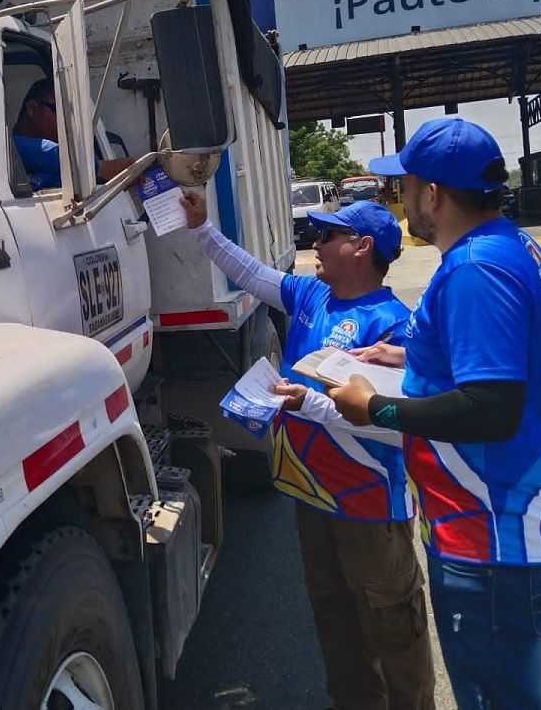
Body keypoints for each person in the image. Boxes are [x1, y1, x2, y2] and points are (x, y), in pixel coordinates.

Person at [326, 117, 541, 709]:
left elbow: (490, 408)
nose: (402, 200)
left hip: (496, 540)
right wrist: (411, 352)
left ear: (434, 195)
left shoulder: (475, 270)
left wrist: (376, 408)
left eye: (406, 186)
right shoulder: (506, 246)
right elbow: (500, 357)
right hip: (514, 529)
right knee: (531, 690)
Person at [180, 191, 435, 710]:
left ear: (362, 247)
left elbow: (398, 428)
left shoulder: (391, 323)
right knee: (336, 625)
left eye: (326, 235)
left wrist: (311, 405)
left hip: (367, 511)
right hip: (312, 499)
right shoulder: (312, 296)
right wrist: (202, 229)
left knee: (393, 635)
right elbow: (250, 274)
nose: (314, 243)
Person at [12, 78, 134, 190]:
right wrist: (103, 167)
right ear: (32, 108)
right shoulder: (10, 149)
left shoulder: (59, 166)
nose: (68, 124)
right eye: (62, 113)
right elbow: (54, 155)